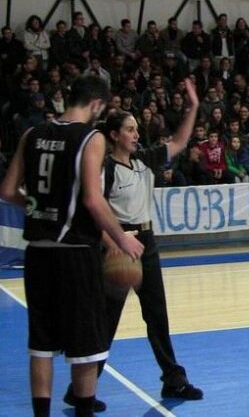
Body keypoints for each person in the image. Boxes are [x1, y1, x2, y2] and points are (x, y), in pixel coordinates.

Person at [0, 76, 145, 417]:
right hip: (75, 253)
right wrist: (122, 238)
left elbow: (7, 191)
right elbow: (93, 202)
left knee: (41, 345)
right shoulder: (90, 138)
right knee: (85, 348)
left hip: (37, 252)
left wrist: (37, 205)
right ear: (96, 105)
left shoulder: (31, 134)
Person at [90, 78, 203, 407]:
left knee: (157, 314)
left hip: (147, 241)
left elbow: (180, 142)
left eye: (136, 128)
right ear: (114, 135)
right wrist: (113, 239)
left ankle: (174, 379)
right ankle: (84, 385)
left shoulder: (146, 159)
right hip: (117, 241)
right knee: (107, 318)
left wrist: (193, 107)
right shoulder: (105, 168)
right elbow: (91, 209)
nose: (136, 133)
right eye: (129, 129)